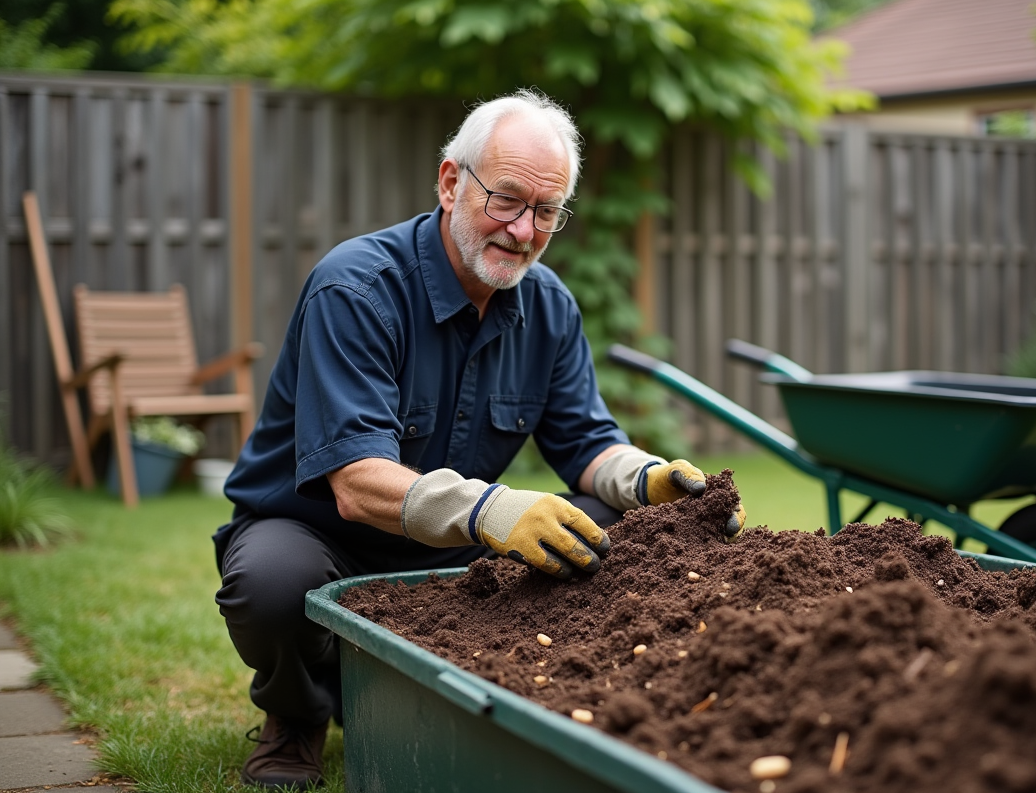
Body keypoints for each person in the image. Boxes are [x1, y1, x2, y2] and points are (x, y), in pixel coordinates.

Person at [212, 89, 746, 789]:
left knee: (621, 530)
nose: (524, 230)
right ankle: (299, 712)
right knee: (271, 586)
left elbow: (585, 441)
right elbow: (355, 480)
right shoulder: (357, 289)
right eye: (507, 201)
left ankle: (550, 686)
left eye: (546, 212)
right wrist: (498, 510)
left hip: (460, 541)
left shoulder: (548, 305)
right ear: (450, 181)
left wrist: (649, 482)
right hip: (320, 534)